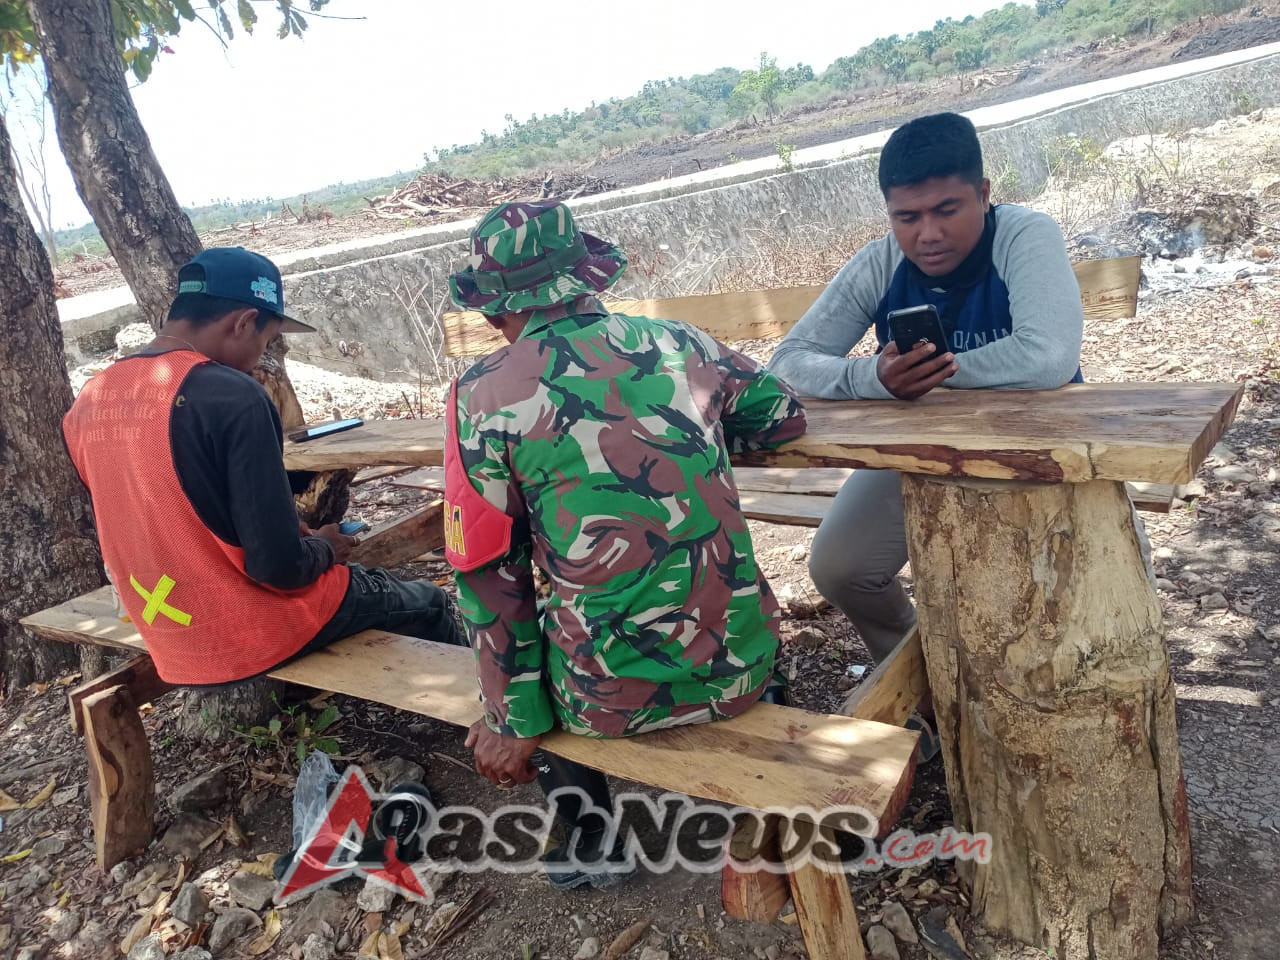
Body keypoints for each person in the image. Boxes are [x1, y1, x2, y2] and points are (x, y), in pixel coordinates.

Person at [443, 200, 807, 889]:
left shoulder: (481, 396)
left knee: (546, 632)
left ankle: (590, 838)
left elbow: (489, 575)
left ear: (494, 314)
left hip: (611, 700)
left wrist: (512, 717)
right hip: (740, 669)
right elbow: (784, 417)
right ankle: (772, 790)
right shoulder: (683, 345)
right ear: (589, 280)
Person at [767, 112, 1086, 754]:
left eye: (947, 209)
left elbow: (1049, 356)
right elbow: (789, 360)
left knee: (1066, 588)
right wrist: (873, 379)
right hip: (918, 453)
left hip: (1035, 450)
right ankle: (933, 690)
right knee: (841, 568)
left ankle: (1077, 707)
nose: (928, 234)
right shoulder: (882, 261)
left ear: (985, 193)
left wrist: (928, 374)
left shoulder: (1024, 236)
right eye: (906, 217)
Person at [62, 247, 466, 689]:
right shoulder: (232, 395)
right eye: (267, 340)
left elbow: (176, 507)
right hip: (251, 629)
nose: (261, 357)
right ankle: (483, 724)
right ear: (242, 322)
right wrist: (328, 547)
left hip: (171, 636)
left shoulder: (90, 400)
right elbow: (279, 569)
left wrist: (289, 527)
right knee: (429, 601)